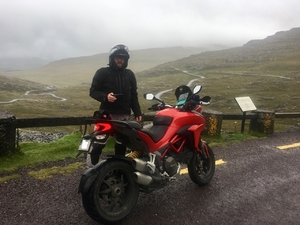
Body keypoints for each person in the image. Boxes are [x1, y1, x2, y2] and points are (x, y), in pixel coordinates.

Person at [88, 44, 143, 166]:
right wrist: (105, 97)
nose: (120, 60)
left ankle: (118, 169)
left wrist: (137, 112)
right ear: (112, 58)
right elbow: (93, 91)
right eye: (117, 57)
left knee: (121, 144)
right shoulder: (102, 72)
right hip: (106, 116)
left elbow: (134, 95)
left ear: (126, 60)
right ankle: (91, 169)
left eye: (123, 58)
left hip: (124, 116)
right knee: (98, 143)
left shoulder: (130, 74)